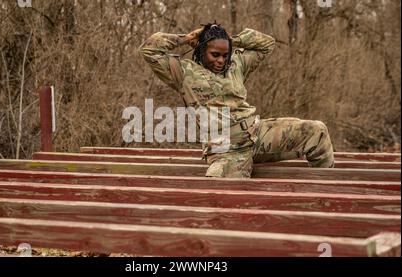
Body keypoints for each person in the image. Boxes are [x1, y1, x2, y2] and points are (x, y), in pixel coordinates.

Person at [139, 22, 334, 178]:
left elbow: (267, 43)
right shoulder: (183, 72)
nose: (221, 61)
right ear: (201, 51)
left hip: (257, 135)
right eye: (215, 54)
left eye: (225, 55)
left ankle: (327, 194)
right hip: (227, 150)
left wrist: (231, 41)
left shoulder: (237, 64)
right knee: (220, 193)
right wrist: (187, 38)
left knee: (317, 131)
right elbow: (149, 50)